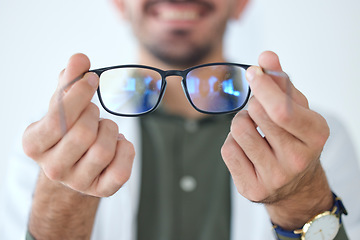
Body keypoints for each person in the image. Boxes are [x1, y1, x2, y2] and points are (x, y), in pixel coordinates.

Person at [1, 0, 360, 239]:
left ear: (241, 3)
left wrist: (303, 202)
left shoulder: (314, 140)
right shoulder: (48, 145)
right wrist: (61, 204)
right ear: (119, 4)